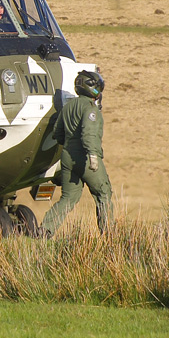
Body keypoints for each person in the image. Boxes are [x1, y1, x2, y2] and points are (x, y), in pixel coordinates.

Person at [41, 70, 113, 235]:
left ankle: (45, 230)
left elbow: (57, 133)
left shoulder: (68, 106)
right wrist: (93, 155)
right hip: (86, 157)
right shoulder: (90, 109)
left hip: (66, 157)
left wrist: (68, 147)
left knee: (68, 198)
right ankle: (108, 234)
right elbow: (89, 134)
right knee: (103, 193)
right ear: (92, 87)